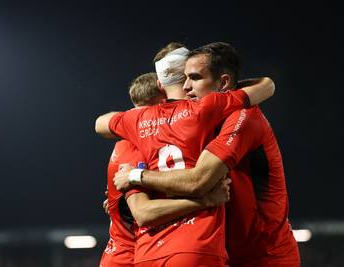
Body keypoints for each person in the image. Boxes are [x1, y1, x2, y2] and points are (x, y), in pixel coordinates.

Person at [114, 42, 300, 267]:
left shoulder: (244, 117)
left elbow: (198, 180)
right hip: (231, 254)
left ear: (223, 83)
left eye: (194, 78)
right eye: (184, 78)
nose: (186, 87)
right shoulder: (201, 121)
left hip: (266, 256)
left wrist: (136, 176)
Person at [99, 72, 231, 267]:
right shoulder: (134, 146)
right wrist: (206, 200)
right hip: (126, 258)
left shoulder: (132, 139)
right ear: (163, 100)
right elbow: (143, 213)